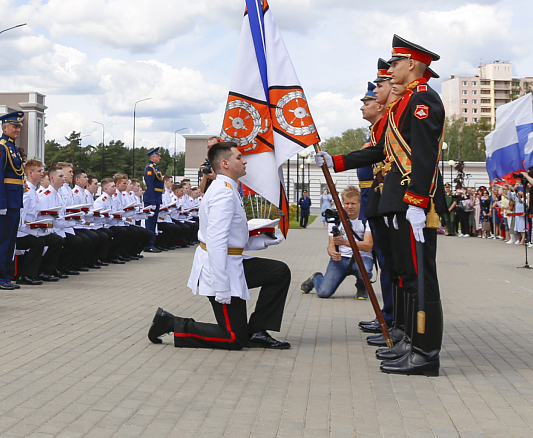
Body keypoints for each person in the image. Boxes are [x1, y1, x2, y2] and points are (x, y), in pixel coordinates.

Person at [325, 35, 446, 376]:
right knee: (408, 276)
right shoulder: (405, 103)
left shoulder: (423, 100)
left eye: (394, 64)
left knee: (421, 278)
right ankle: (410, 341)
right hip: (404, 202)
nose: (390, 70)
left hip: (415, 202)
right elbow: (383, 151)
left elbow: (423, 154)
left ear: (412, 64)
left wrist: (418, 203)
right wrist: (336, 160)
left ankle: (426, 354)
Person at [147, 142, 292, 350]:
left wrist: (260, 241)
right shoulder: (223, 194)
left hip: (231, 262)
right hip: (220, 269)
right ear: (225, 163)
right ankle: (170, 323)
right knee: (234, 338)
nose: (244, 161)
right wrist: (222, 287)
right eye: (239, 157)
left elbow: (230, 236)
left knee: (278, 272)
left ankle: (258, 329)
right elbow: (215, 243)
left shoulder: (227, 188)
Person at [301, 186, 373, 299]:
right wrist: (332, 253)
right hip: (341, 259)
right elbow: (330, 246)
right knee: (323, 293)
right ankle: (316, 278)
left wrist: (345, 242)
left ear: (360, 204)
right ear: (342, 203)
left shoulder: (367, 219)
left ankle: (362, 287)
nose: (349, 207)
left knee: (365, 269)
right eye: (347, 203)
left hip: (362, 257)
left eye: (353, 203)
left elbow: (368, 246)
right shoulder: (335, 219)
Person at [0, 111, 25, 290]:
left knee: (9, 240)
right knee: (1, 239)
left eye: (18, 127)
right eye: (14, 126)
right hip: (6, 201)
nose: (17, 129)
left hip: (14, 200)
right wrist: (0, 202)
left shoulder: (12, 147)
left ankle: (4, 275)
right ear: (4, 127)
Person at [143, 148, 164, 247]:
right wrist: (152, 201)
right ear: (153, 157)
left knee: (153, 223)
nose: (159, 157)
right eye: (158, 156)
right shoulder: (150, 168)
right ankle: (149, 245)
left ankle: (152, 243)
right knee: (150, 223)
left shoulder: (155, 167)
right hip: (152, 197)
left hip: (156, 197)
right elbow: (150, 184)